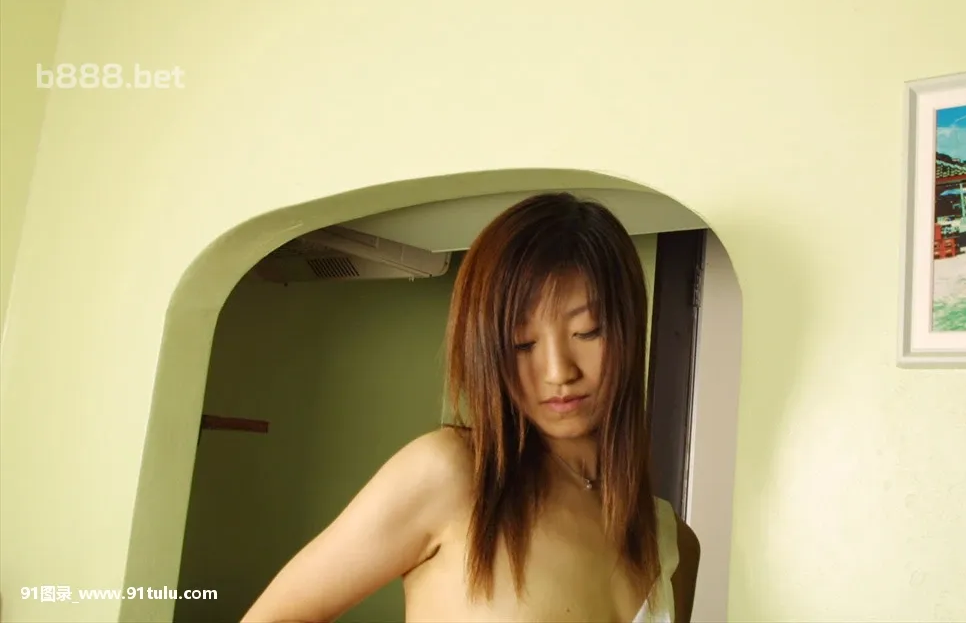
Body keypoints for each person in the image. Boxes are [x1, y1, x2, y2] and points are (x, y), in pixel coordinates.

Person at [241, 192, 700, 623]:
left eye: (588, 331)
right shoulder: (451, 475)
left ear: (629, 328)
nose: (559, 371)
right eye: (522, 342)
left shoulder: (674, 543)